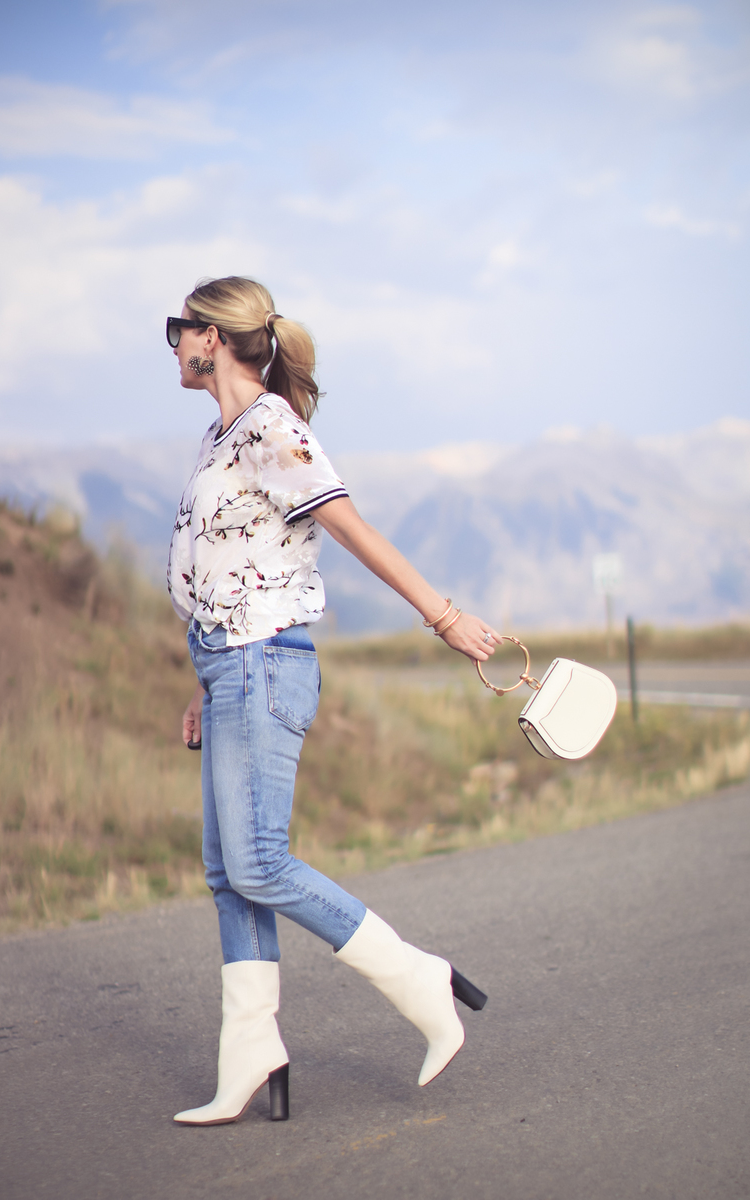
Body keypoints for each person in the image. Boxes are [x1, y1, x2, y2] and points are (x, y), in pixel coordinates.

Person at [166, 276, 501, 1127]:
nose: (172, 344)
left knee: (260, 863)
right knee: (228, 874)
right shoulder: (220, 436)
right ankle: (251, 1054)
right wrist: (200, 679)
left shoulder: (273, 427)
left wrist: (445, 617)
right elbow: (221, 570)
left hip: (266, 667)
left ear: (213, 339)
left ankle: (421, 981)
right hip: (230, 668)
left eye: (180, 329)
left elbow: (353, 529)